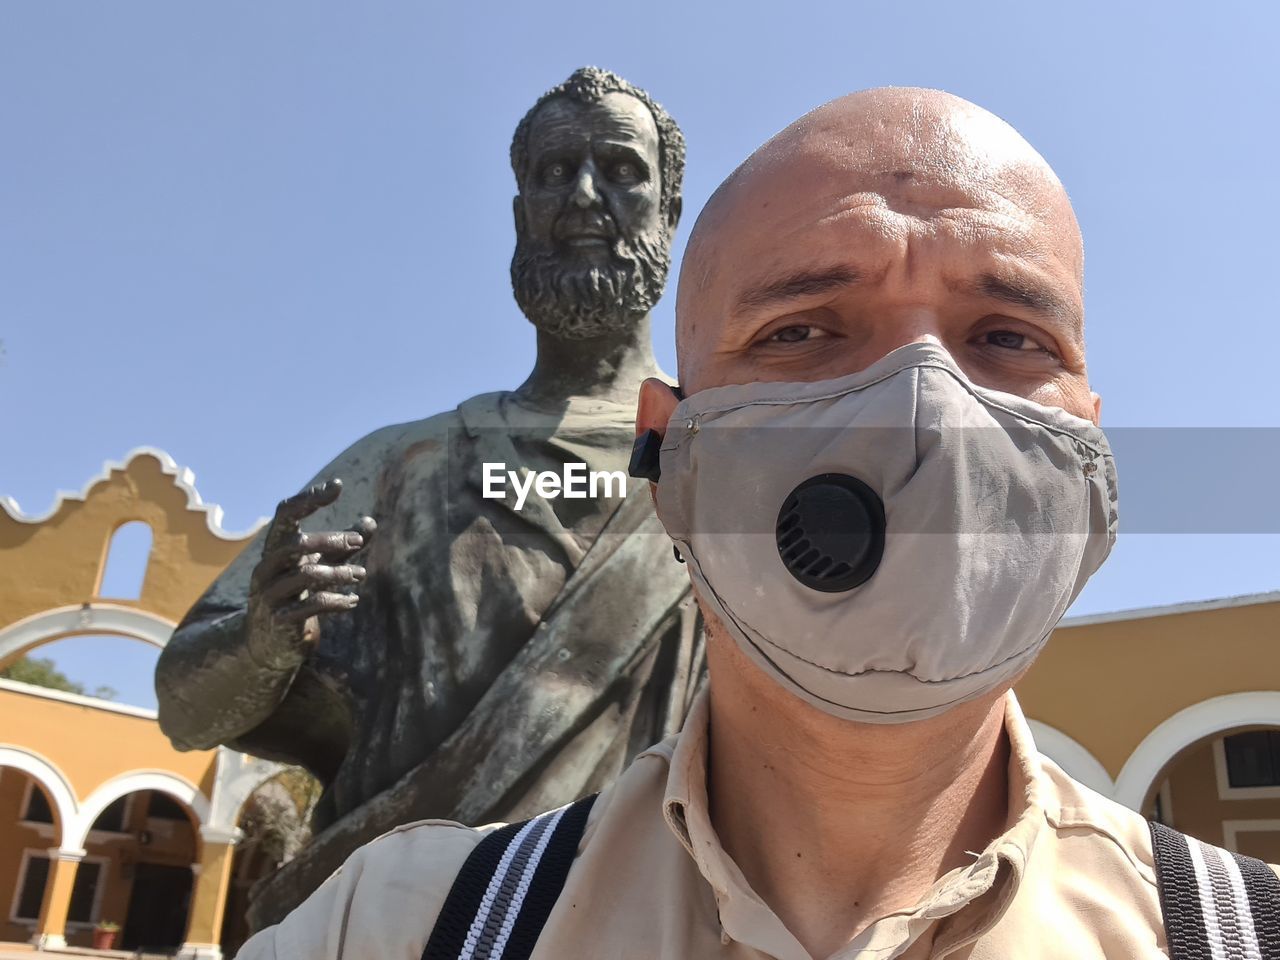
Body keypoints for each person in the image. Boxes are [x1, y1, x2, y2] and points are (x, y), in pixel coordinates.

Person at [234, 87, 1279, 959]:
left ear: (1090, 453)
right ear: (667, 451)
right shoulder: (391, 930)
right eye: (802, 330)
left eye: (1006, 335)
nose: (920, 410)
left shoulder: (1243, 934)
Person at [154, 66, 704, 928]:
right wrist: (264, 643)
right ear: (521, 217)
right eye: (555, 173)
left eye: (621, 169)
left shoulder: (726, 462)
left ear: (668, 214)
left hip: (651, 925)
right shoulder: (397, 464)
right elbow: (183, 704)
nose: (586, 194)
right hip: (397, 928)